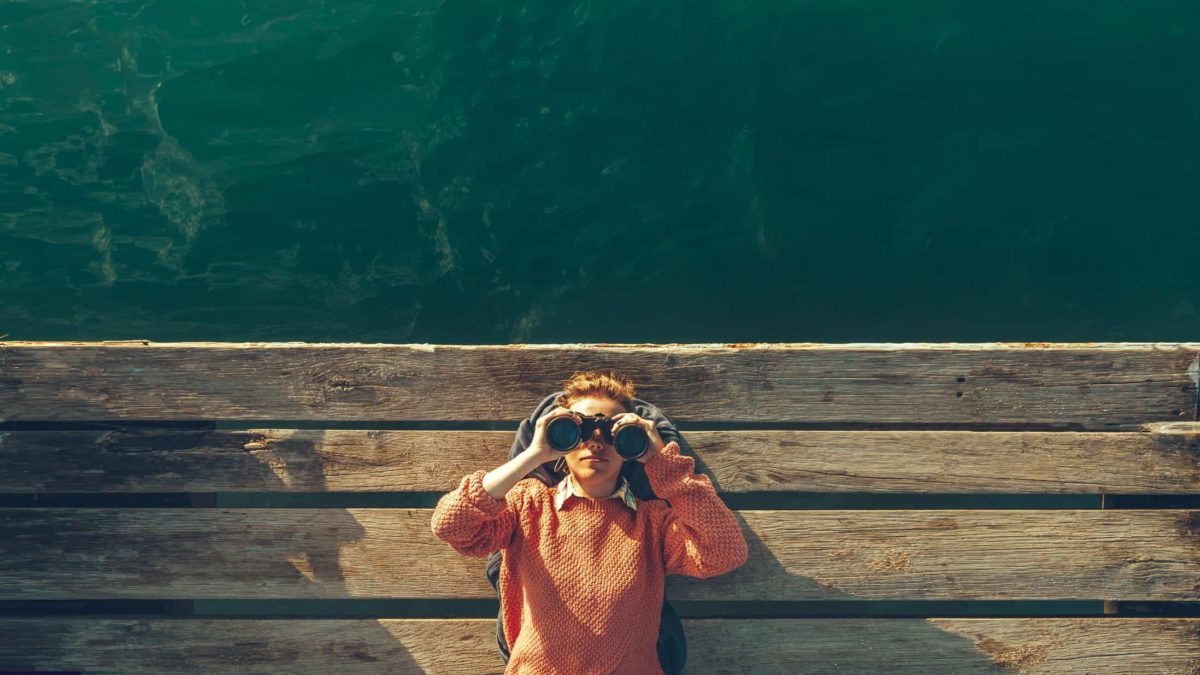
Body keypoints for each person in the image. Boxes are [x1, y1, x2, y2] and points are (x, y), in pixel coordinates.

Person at [430, 370, 749, 674]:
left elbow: (724, 553)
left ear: (630, 449)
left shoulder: (652, 523)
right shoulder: (528, 505)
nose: (596, 441)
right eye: (576, 431)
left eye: (613, 433)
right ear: (558, 441)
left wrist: (661, 461)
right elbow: (451, 523)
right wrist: (534, 454)